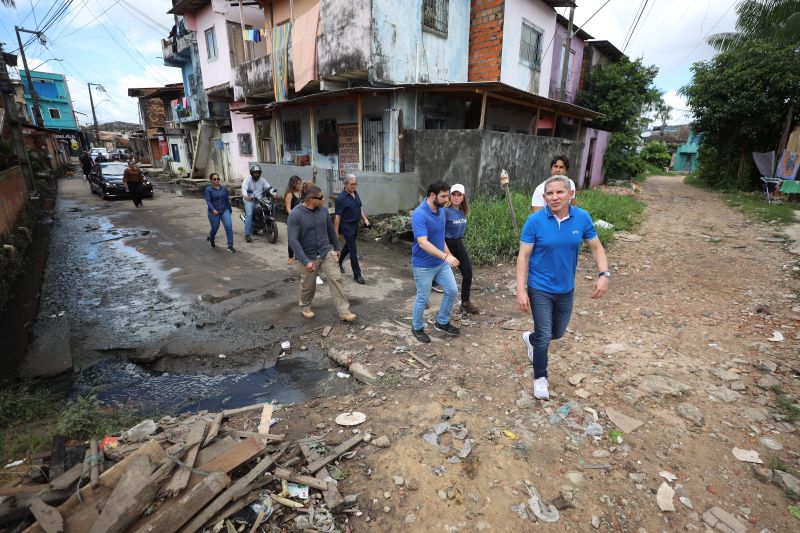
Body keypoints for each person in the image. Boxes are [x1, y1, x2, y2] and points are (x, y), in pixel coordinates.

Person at [516, 176, 609, 400]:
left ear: (570, 194)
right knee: (546, 335)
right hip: (539, 287)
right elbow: (523, 256)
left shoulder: (582, 218)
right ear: (544, 197)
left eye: (559, 192)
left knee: (557, 332)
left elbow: (596, 248)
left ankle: (531, 339)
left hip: (566, 288)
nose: (554, 197)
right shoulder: (535, 221)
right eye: (550, 193)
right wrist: (521, 289)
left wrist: (604, 274)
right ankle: (540, 378)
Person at [287, 185, 357, 322]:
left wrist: (337, 248)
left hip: (326, 251)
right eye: (321, 198)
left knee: (336, 278)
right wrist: (305, 261)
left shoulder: (323, 211)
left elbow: (331, 231)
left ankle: (344, 311)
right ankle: (305, 306)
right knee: (308, 285)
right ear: (311, 200)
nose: (323, 200)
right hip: (307, 256)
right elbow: (293, 240)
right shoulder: (295, 215)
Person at [410, 180, 461, 343]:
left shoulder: (441, 211)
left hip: (440, 263)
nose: (447, 200)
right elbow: (423, 242)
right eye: (444, 196)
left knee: (452, 290)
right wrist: (445, 257)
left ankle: (442, 322)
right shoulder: (419, 214)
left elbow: (440, 237)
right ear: (432, 195)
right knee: (422, 298)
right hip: (423, 265)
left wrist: (449, 254)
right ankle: (416, 327)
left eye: (447, 196)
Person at [444, 184, 479, 314]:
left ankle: (465, 302)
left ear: (463, 196)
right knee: (434, 273)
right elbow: (439, 232)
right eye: (454, 194)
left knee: (468, 272)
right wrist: (446, 253)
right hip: (446, 244)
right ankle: (424, 299)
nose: (456, 197)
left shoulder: (462, 211)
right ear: (450, 196)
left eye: (459, 195)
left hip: (458, 244)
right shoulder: (445, 212)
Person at [334, 174, 370, 284]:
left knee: (349, 246)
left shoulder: (355, 193)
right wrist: (336, 232)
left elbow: (359, 207)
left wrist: (365, 219)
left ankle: (338, 262)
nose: (354, 186)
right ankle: (357, 274)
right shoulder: (341, 198)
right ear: (345, 184)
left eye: (355, 184)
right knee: (353, 249)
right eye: (352, 184)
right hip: (346, 226)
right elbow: (337, 216)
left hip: (355, 224)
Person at [241, 164, 274, 242]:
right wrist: (246, 196)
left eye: (258, 173)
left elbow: (269, 188)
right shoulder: (247, 179)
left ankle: (268, 225)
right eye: (255, 173)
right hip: (249, 199)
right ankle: (247, 235)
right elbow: (244, 188)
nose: (256, 174)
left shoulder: (262, 180)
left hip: (260, 199)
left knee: (271, 207)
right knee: (249, 214)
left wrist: (274, 194)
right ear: (252, 173)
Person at [204, 173, 235, 253]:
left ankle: (230, 245)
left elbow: (227, 200)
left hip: (224, 210)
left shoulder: (223, 188)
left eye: (218, 179)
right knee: (215, 227)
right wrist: (213, 209)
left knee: (228, 226)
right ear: (211, 180)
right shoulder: (208, 189)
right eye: (214, 179)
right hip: (213, 212)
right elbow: (208, 201)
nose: (217, 180)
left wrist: (230, 209)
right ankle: (211, 239)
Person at [284, 175, 303, 264]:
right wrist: (294, 217)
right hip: (293, 219)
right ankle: (290, 257)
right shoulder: (289, 194)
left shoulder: (302, 193)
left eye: (300, 183)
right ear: (293, 184)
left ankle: (299, 256)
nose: (299, 185)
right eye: (297, 183)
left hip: (302, 219)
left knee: (301, 238)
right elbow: (288, 208)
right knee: (292, 238)